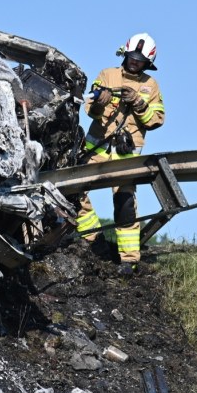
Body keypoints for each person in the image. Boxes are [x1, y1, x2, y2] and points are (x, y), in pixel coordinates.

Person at [75, 33, 165, 274]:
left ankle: (128, 260)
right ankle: (92, 240)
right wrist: (100, 102)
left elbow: (156, 120)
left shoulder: (151, 86)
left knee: (125, 203)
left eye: (140, 60)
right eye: (132, 57)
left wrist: (138, 102)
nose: (135, 62)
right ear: (125, 54)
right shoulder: (107, 75)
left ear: (148, 62)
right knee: (73, 190)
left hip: (126, 153)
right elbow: (90, 111)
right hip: (96, 148)